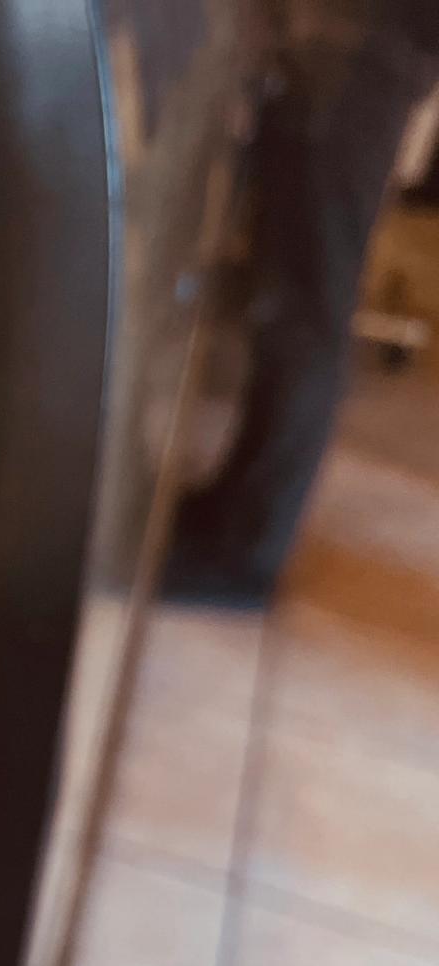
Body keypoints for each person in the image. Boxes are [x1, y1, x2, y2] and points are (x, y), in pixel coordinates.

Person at [163, 0, 439, 606]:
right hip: (341, 45)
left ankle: (244, 556)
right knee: (290, 299)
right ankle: (233, 513)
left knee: (305, 307)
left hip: (359, 51)